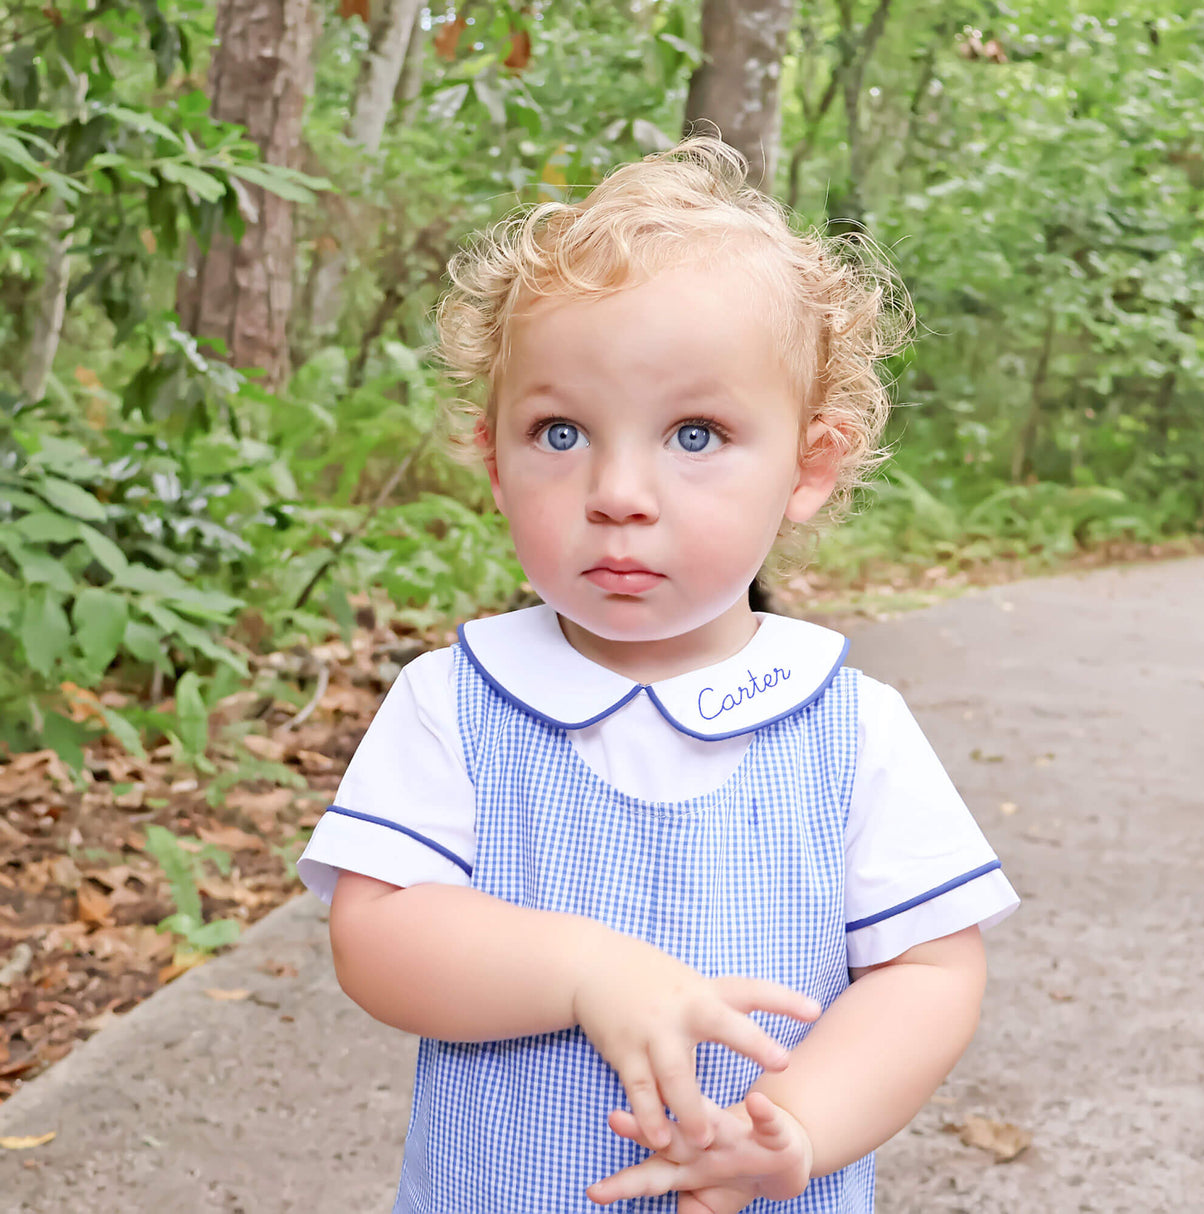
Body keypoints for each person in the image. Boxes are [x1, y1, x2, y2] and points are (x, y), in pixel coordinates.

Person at [297, 137, 1019, 1214]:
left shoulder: (847, 727)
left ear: (809, 465)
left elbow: (927, 973)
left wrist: (799, 1126)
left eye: (695, 432)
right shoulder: (457, 700)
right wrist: (586, 971)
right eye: (558, 431)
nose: (618, 491)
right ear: (493, 459)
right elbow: (377, 934)